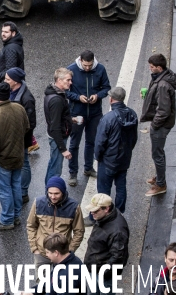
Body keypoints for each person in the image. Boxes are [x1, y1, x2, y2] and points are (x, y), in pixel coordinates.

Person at [0, 82, 29, 231]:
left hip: (1, 160)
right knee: (15, 186)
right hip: (18, 156)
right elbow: (27, 127)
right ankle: (15, 216)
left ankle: (7, 219)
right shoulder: (19, 108)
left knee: (4, 190)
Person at [66, 50, 111, 186]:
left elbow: (106, 87)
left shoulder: (100, 69)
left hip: (94, 113)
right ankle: (73, 173)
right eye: (85, 65)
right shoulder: (71, 70)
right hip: (77, 113)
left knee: (91, 142)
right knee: (74, 144)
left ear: (93, 61)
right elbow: (66, 91)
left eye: (90, 65)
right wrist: (78, 97)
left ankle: (88, 168)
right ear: (80, 60)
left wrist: (97, 96)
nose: (87, 68)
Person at [94, 87, 139, 213]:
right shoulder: (132, 114)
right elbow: (134, 138)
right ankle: (119, 213)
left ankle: (100, 215)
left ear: (111, 99)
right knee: (121, 187)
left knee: (103, 191)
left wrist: (98, 157)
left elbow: (100, 142)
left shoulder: (108, 118)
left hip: (108, 160)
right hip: (124, 159)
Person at [26, 177, 84, 273]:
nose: (53, 197)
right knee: (42, 285)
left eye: (56, 193)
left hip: (62, 255)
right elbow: (31, 225)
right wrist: (34, 249)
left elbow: (79, 231)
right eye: (50, 193)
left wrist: (70, 250)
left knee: (60, 285)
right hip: (42, 253)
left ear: (63, 192)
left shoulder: (74, 207)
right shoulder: (38, 203)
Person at [141, 53, 176, 197]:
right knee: (158, 153)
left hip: (161, 126)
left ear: (159, 67)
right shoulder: (163, 78)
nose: (150, 69)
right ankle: (159, 177)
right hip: (164, 123)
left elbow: (163, 110)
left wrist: (154, 125)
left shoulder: (162, 85)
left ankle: (161, 184)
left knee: (157, 154)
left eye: (151, 67)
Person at [83, 194, 129, 295]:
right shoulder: (104, 217)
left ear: (106, 209)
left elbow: (118, 257)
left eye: (95, 211)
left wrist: (103, 273)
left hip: (103, 275)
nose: (92, 213)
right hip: (95, 269)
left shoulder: (117, 231)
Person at [5, 67, 36, 204]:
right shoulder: (12, 91)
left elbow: (31, 122)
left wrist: (17, 134)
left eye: (8, 79)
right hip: (11, 136)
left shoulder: (27, 98)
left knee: (23, 164)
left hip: (21, 138)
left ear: (16, 81)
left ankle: (23, 192)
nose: (5, 81)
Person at [43, 68, 74, 185]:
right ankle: (51, 192)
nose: (70, 83)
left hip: (55, 137)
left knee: (53, 164)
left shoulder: (54, 94)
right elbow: (55, 126)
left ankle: (48, 190)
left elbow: (57, 119)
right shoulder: (57, 100)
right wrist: (63, 149)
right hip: (57, 139)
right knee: (56, 169)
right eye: (68, 80)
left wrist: (70, 120)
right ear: (59, 80)